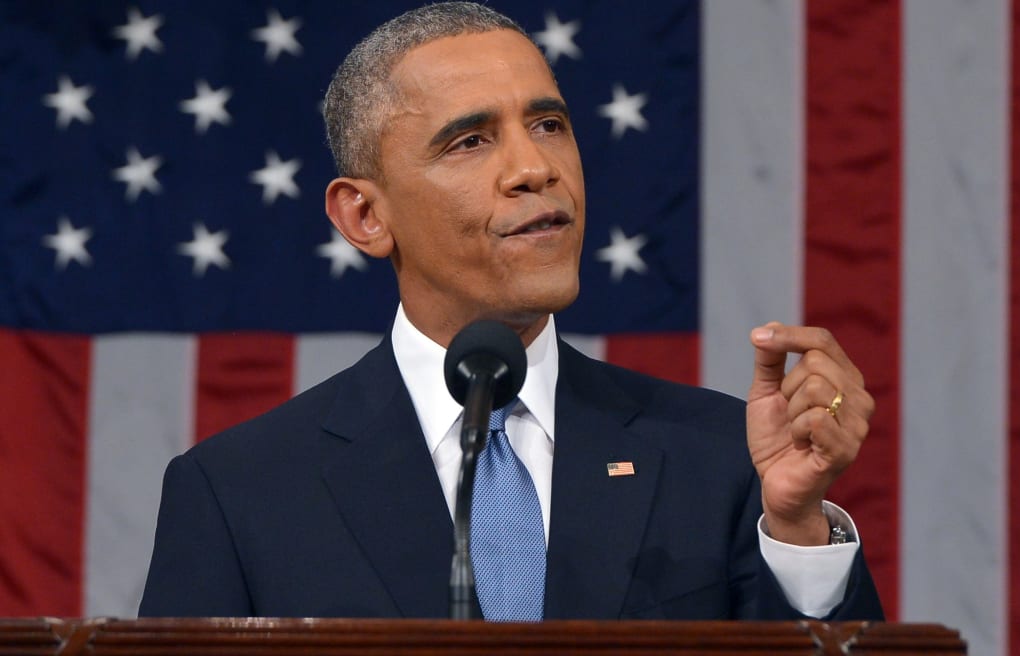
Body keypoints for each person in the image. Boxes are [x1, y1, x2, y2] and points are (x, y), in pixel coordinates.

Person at [139, 2, 882, 620]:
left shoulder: (727, 459)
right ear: (365, 215)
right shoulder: (239, 493)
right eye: (470, 141)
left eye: (549, 124)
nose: (535, 168)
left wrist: (794, 532)